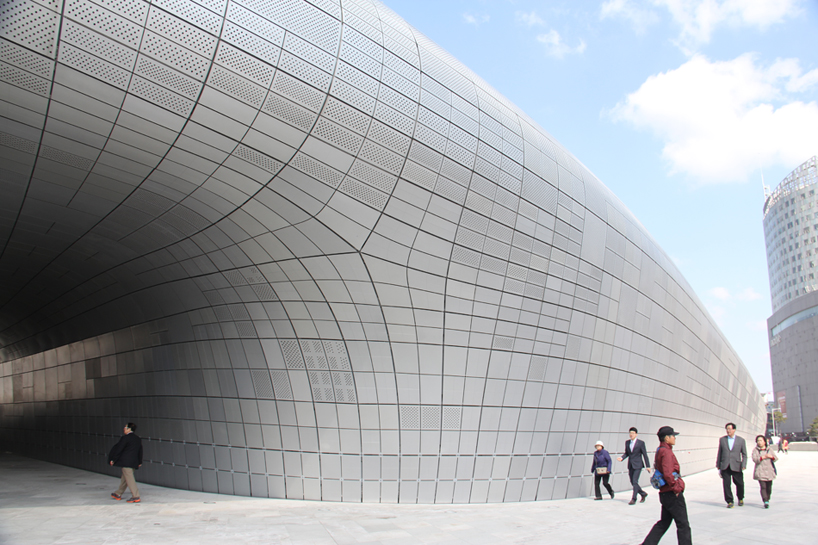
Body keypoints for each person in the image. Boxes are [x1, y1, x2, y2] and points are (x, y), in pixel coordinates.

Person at [640, 426, 691, 545]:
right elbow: (668, 474)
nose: (675, 438)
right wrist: (677, 488)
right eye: (673, 436)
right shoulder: (666, 452)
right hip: (672, 493)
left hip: (665, 493)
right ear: (666, 438)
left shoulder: (660, 450)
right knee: (683, 525)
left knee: (664, 522)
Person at [108, 422, 143, 503]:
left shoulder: (125, 438)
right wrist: (139, 461)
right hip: (134, 462)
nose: (124, 428)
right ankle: (118, 493)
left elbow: (119, 449)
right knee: (125, 479)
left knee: (130, 479)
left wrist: (113, 459)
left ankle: (136, 496)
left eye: (125, 427)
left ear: (129, 429)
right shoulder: (137, 438)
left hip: (126, 462)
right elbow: (140, 450)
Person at [715, 422, 747, 508]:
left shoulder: (741, 440)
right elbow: (720, 452)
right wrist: (718, 464)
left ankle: (740, 498)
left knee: (739, 483)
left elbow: (744, 454)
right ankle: (729, 501)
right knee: (726, 484)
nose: (728, 431)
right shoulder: (722, 440)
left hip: (736, 465)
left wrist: (744, 464)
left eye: (730, 429)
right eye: (727, 429)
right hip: (725, 465)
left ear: (734, 430)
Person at [617, 426, 651, 505]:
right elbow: (627, 453)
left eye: (633, 433)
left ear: (636, 434)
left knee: (635, 481)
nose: (631, 434)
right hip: (630, 465)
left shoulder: (641, 443)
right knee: (632, 482)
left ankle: (634, 498)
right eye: (630, 433)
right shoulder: (627, 442)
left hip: (638, 465)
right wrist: (622, 458)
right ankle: (643, 493)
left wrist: (648, 466)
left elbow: (645, 455)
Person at [751, 435, 777, 508]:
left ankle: (768, 498)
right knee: (763, 487)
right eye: (758, 441)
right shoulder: (755, 450)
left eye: (761, 440)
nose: (759, 442)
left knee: (769, 488)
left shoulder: (769, 449)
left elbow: (775, 458)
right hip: (760, 471)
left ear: (765, 442)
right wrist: (763, 457)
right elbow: (755, 459)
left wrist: (771, 457)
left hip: (769, 471)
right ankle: (765, 500)